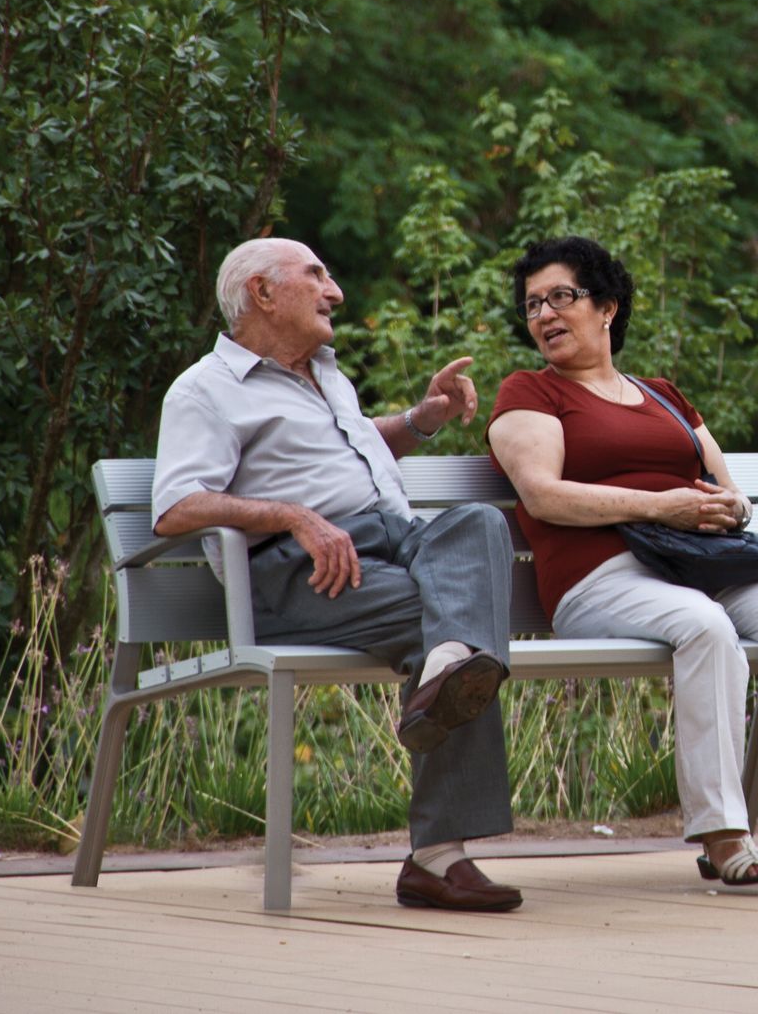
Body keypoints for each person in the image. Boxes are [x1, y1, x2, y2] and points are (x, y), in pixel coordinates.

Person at [486, 235, 758, 886]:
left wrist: (729, 510)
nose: (543, 314)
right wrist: (661, 508)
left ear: (608, 306)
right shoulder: (531, 393)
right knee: (704, 629)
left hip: (701, 567)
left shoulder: (663, 395)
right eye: (532, 303)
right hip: (600, 577)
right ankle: (721, 831)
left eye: (560, 296)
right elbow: (544, 495)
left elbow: (729, 490)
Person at [151, 237, 522, 912]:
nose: (335, 290)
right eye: (316, 274)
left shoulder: (325, 373)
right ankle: (438, 853)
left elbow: (348, 452)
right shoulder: (205, 389)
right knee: (461, 618)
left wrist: (421, 418)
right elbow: (177, 505)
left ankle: (444, 668)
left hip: (388, 540)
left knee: (481, 526)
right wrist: (292, 515)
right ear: (262, 292)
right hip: (298, 570)